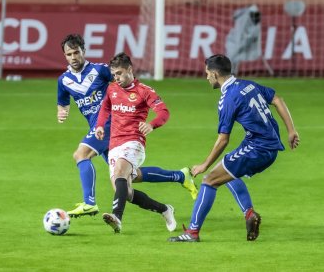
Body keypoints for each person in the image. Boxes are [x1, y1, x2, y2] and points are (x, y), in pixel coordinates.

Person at [57, 34, 198, 218]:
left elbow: (124, 81)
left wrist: (133, 104)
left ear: (84, 51)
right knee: (126, 185)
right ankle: (179, 178)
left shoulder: (100, 70)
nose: (73, 57)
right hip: (100, 129)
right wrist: (62, 111)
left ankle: (89, 203)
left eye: (76, 52)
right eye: (69, 54)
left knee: (81, 154)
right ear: (65, 56)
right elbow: (63, 102)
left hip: (111, 125)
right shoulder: (63, 80)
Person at [168, 54, 300, 242]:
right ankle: (249, 214)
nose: (206, 77)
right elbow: (278, 99)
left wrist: (204, 164)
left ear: (214, 74)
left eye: (207, 74)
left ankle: (192, 232)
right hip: (265, 144)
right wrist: (291, 130)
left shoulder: (228, 99)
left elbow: (223, 139)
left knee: (209, 180)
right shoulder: (249, 85)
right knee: (226, 170)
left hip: (258, 148)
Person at [95, 52, 177, 233]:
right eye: (114, 74)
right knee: (127, 193)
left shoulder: (144, 91)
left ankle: (117, 217)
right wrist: (100, 125)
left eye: (119, 73)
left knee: (120, 173)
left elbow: (164, 112)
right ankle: (165, 209)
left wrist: (152, 125)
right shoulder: (112, 89)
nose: (116, 78)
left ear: (130, 70)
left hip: (134, 142)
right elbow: (105, 107)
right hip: (114, 145)